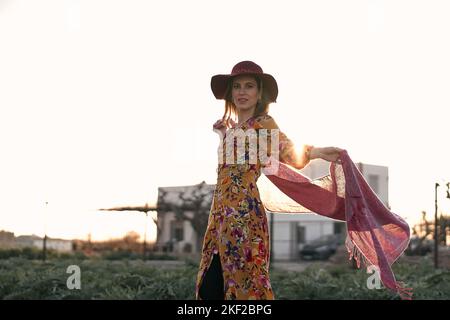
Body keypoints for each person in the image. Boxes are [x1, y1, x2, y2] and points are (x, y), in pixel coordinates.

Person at [195, 60, 343, 300]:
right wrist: (224, 132)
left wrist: (315, 151)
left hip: (244, 217)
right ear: (231, 93)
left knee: (245, 283)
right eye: (237, 86)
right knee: (211, 285)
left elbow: (285, 148)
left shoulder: (263, 124)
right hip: (219, 216)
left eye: (249, 86)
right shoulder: (232, 129)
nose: (242, 92)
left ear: (259, 92)